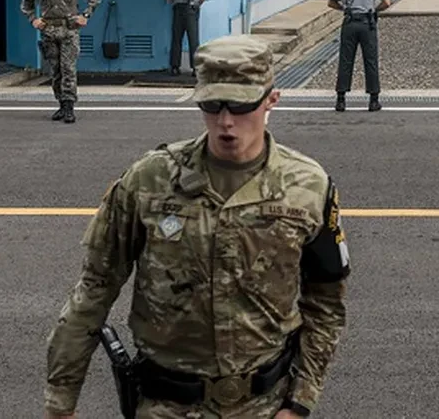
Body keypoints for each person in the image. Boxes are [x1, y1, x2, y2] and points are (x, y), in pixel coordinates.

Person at [43, 34, 351, 419]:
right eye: (212, 105)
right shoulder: (149, 180)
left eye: (241, 105)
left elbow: (326, 301)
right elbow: (95, 288)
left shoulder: (308, 186)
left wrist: (300, 401)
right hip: (165, 406)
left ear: (271, 99)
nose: (226, 121)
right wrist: (61, 400)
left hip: (265, 406)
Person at [21, 0, 102, 123]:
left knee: (68, 68)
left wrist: (85, 16)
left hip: (69, 30)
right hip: (49, 32)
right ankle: (61, 104)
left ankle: (69, 106)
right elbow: (26, 3)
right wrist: (33, 19)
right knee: (55, 70)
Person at [327, 0, 391, 112]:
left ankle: (341, 100)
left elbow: (331, 2)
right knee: (370, 60)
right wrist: (374, 10)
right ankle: (373, 100)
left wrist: (345, 8)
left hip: (349, 22)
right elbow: (386, 2)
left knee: (345, 60)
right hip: (367, 23)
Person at [165, 0, 208, 76]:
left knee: (176, 38)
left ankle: (175, 67)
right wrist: (197, 5)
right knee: (193, 39)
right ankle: (195, 68)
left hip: (178, 8)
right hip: (191, 9)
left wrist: (175, 1)